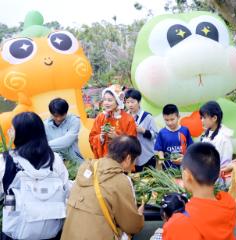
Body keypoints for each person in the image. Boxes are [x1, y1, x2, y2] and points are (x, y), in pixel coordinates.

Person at [0, 112, 69, 240]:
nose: (9, 131)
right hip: (51, 233)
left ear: (20, 133)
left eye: (12, 128)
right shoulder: (55, 160)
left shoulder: (6, 161)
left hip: (15, 233)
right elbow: (67, 190)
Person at [61, 136, 145, 240]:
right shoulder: (120, 180)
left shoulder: (85, 167)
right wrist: (139, 216)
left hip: (69, 235)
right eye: (135, 160)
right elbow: (131, 226)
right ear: (128, 158)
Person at [163, 142, 236, 240]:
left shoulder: (179, 223)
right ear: (217, 172)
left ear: (187, 175)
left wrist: (170, 224)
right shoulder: (228, 203)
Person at [89, 87, 137, 159]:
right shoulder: (100, 117)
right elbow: (91, 138)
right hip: (104, 161)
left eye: (110, 100)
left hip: (121, 162)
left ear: (118, 101)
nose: (106, 103)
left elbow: (133, 144)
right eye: (104, 100)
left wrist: (117, 138)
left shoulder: (128, 119)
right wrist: (101, 137)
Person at [125, 88, 158, 172]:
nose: (130, 105)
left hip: (147, 156)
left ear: (139, 102)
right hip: (132, 158)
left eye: (132, 102)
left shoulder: (147, 117)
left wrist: (143, 131)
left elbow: (156, 135)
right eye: (127, 102)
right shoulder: (125, 117)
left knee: (149, 182)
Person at [44, 98, 84, 163]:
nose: (59, 119)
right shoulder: (45, 125)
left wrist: (42, 147)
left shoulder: (74, 120)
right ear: (51, 113)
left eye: (62, 115)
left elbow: (67, 141)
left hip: (75, 160)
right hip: (56, 162)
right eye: (56, 116)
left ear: (66, 112)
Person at [154, 104, 193, 169]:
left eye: (172, 119)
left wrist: (185, 158)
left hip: (184, 168)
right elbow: (159, 149)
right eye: (166, 120)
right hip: (168, 170)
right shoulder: (162, 133)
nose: (170, 123)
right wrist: (161, 158)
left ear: (178, 117)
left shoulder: (185, 130)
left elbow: (191, 148)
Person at [199, 101, 233, 168]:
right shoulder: (207, 134)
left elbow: (225, 165)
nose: (202, 120)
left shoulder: (224, 138)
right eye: (201, 118)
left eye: (204, 118)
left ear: (214, 118)